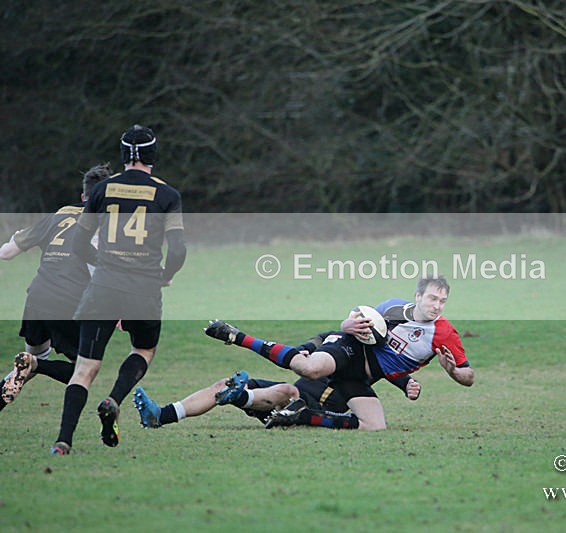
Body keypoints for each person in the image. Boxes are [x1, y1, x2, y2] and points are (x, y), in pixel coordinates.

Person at [51, 125, 187, 455]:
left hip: (104, 287)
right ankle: (114, 399)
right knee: (143, 350)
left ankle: (63, 441)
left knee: (85, 368)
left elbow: (80, 243)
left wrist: (104, 262)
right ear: (153, 155)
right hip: (144, 289)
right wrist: (164, 275)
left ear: (124, 155)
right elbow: (179, 250)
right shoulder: (167, 194)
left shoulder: (102, 190)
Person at [204, 276, 473, 430]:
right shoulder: (391, 308)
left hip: (359, 378)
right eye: (432, 299)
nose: (437, 306)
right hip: (351, 351)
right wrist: (346, 325)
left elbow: (468, 376)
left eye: (442, 301)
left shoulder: (445, 333)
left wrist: (452, 371)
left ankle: (301, 415)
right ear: (418, 296)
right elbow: (354, 324)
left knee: (374, 426)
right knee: (309, 368)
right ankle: (238, 337)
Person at [0, 163, 111, 411]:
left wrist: (15, 236)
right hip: (69, 299)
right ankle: (37, 366)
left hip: (37, 295)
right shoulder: (106, 223)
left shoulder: (59, 214)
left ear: (83, 196)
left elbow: (6, 253)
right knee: (83, 368)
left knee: (32, 357)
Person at [132, 368, 420, 431]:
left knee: (288, 392)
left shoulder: (368, 358)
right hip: (283, 395)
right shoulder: (333, 339)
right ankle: (162, 415)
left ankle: (241, 396)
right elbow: (302, 351)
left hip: (305, 406)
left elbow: (390, 368)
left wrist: (407, 383)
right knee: (223, 383)